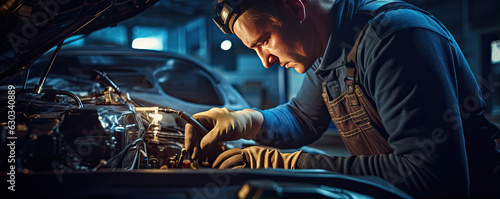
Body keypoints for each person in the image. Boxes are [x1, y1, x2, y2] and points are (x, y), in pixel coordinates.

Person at [184, 0, 500, 197]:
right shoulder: (327, 52)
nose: (265, 60)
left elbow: (429, 178)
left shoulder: (392, 40)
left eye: (264, 40)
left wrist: (293, 164)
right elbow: (301, 117)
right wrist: (247, 121)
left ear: (295, 7)